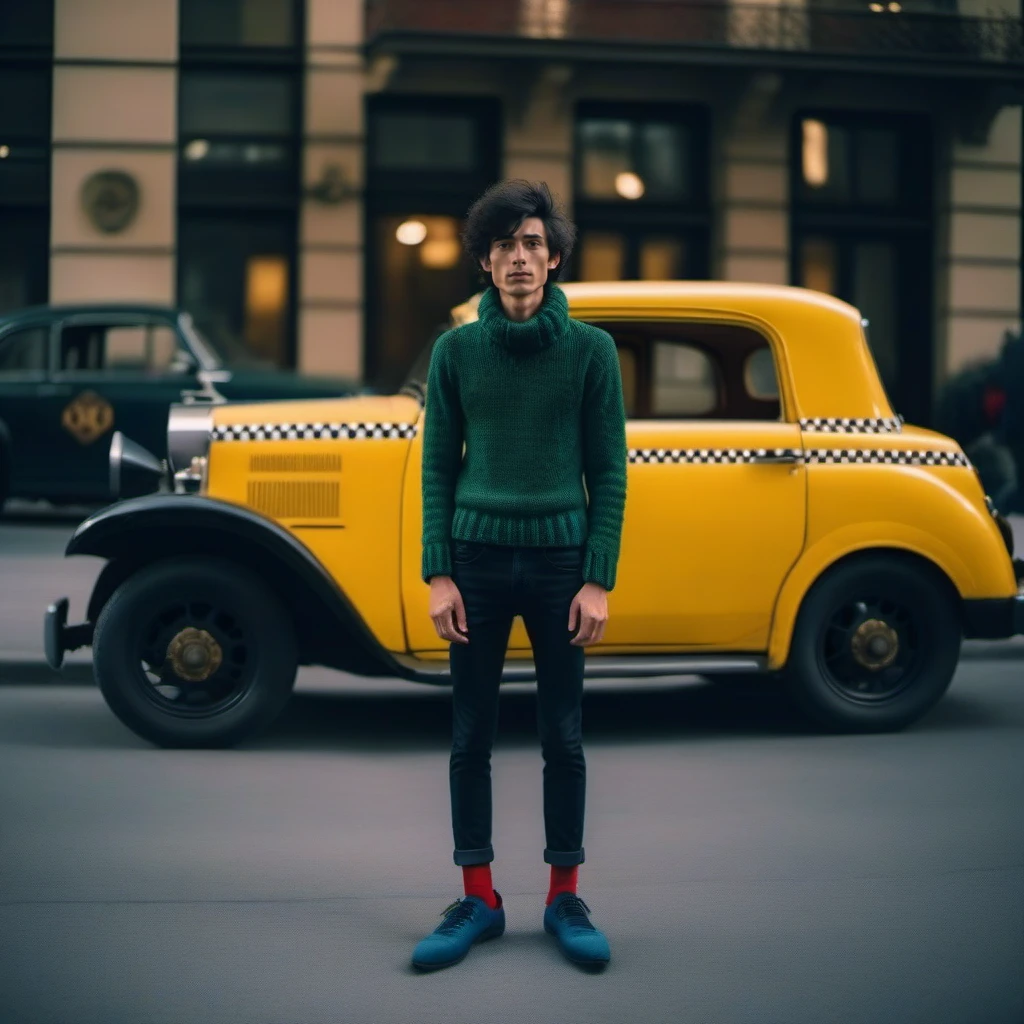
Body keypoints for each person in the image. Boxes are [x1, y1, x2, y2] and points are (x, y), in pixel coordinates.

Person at [412, 180, 628, 971]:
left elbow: (610, 472)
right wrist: (439, 574)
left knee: (561, 736)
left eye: (533, 243)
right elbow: (437, 469)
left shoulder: (591, 352)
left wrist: (596, 577)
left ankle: (563, 896)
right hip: (475, 562)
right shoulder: (456, 351)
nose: (519, 258)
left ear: (556, 258)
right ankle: (479, 898)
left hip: (560, 567)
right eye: (504, 245)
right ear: (484, 263)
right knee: (470, 735)